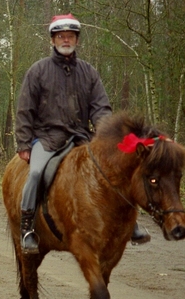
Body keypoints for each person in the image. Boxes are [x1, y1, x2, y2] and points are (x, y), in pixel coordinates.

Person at [15, 13, 149, 255]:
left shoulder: (89, 72)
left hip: (81, 137)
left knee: (112, 170)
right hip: (47, 138)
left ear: (77, 40)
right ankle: (27, 228)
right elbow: (25, 109)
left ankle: (131, 225)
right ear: (53, 40)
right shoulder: (38, 71)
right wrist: (24, 143)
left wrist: (107, 136)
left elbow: (101, 108)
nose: (66, 40)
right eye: (61, 36)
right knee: (35, 174)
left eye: (70, 36)